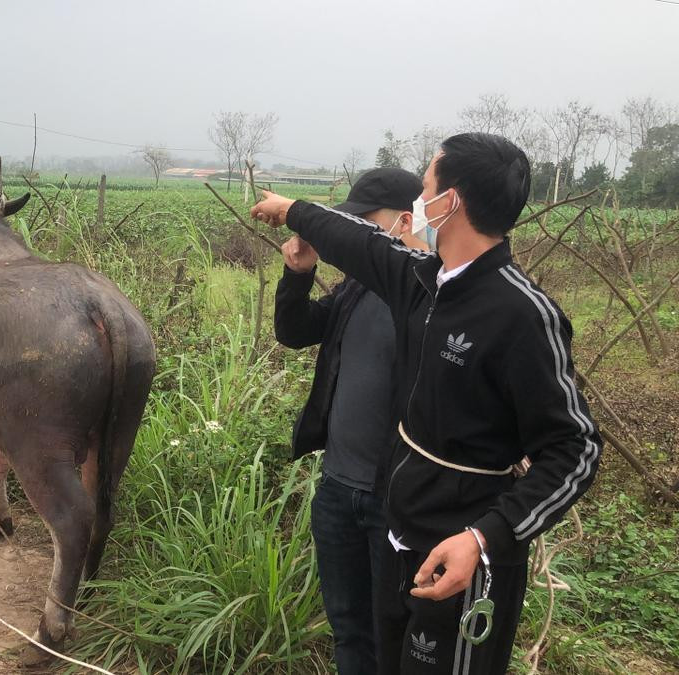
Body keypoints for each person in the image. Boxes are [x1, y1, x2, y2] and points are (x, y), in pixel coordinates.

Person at [252, 132, 602, 675]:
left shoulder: (523, 314)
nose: (420, 199)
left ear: (449, 202)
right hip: (400, 529)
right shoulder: (422, 282)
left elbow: (574, 448)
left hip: (463, 549)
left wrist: (485, 538)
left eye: (428, 183)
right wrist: (290, 210)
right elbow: (356, 242)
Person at [274, 167, 424, 674]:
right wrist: (298, 274)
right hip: (338, 492)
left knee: (393, 635)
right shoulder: (357, 288)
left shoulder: (433, 299)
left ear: (405, 223)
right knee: (348, 627)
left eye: (362, 222)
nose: (349, 233)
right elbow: (295, 331)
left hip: (395, 503)